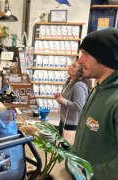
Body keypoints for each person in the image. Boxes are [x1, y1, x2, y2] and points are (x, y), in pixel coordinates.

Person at [74, 28, 118, 179]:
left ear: (104, 57)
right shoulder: (98, 88)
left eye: (85, 54)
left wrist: (91, 173)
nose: (80, 60)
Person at [54, 61, 91, 142]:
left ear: (80, 72)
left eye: (73, 66)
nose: (69, 66)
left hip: (71, 124)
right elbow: (68, 101)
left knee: (67, 150)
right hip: (65, 120)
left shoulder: (78, 85)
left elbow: (79, 106)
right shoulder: (69, 82)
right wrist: (60, 99)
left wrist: (62, 100)